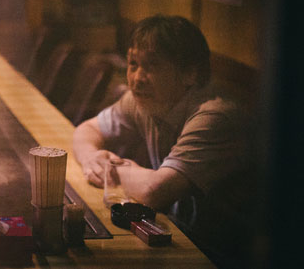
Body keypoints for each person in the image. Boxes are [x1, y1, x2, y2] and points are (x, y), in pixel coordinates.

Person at [72, 15, 256, 268]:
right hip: (180, 238)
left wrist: (110, 167)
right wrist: (92, 156)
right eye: (133, 63)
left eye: (152, 65)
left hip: (220, 256)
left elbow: (155, 191)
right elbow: (87, 129)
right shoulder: (147, 98)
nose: (137, 78)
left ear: (190, 73)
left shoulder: (215, 116)